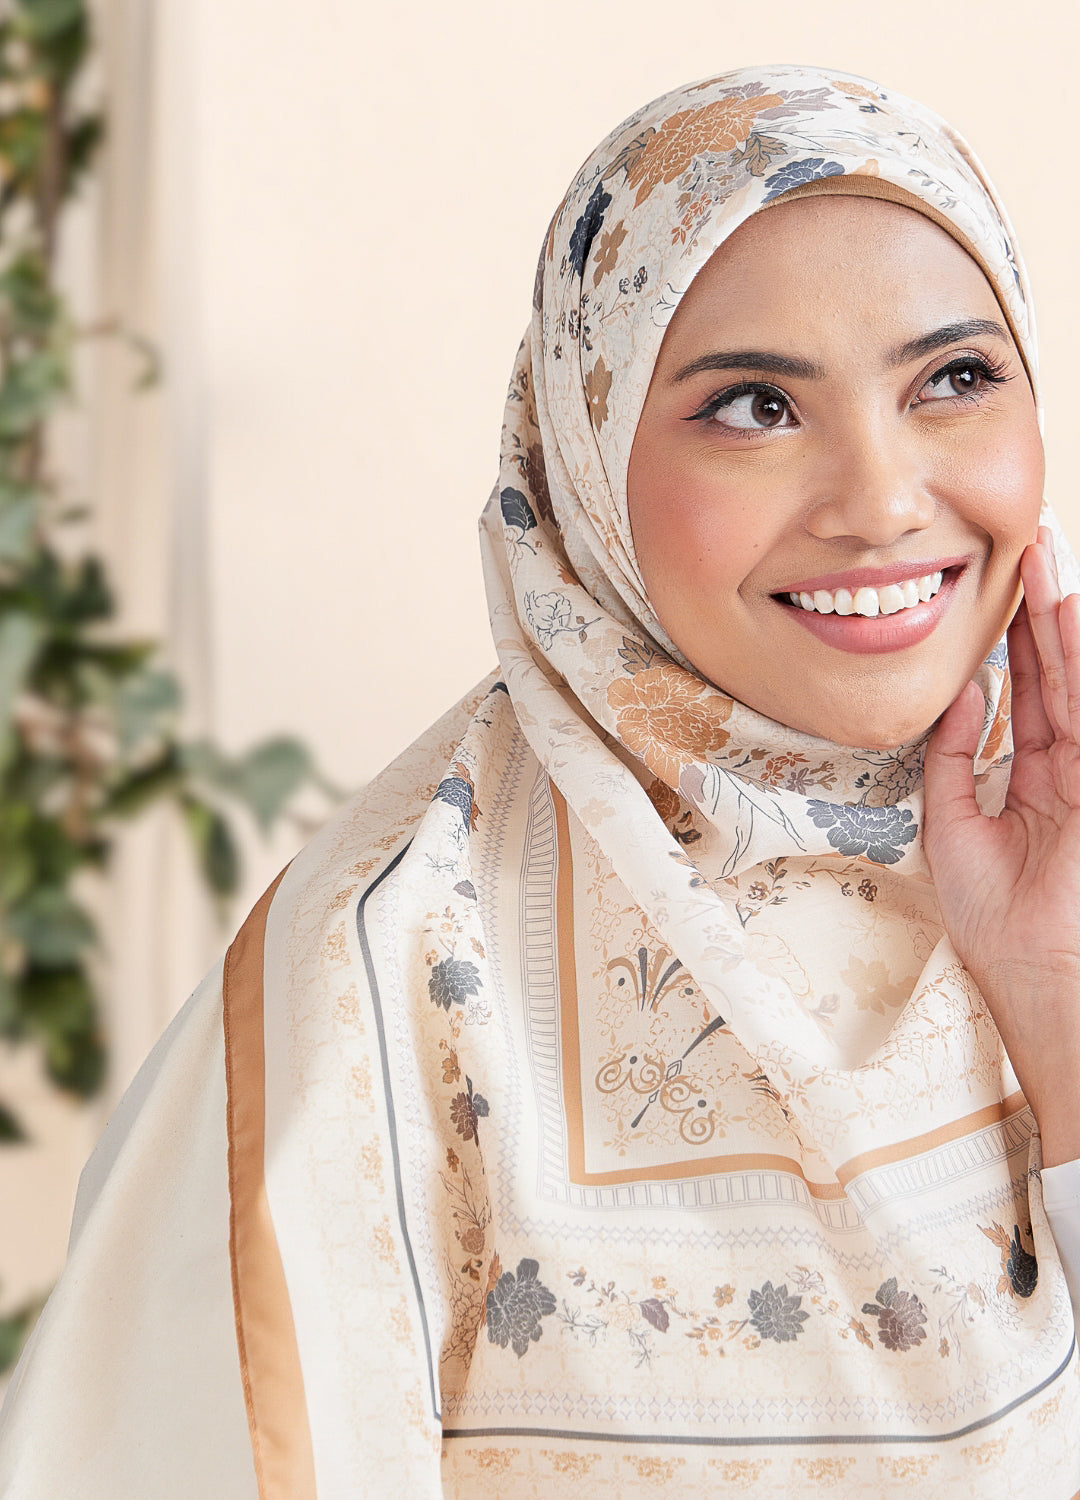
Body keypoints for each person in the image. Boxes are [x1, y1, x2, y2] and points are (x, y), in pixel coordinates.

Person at [2, 63, 1079, 1499]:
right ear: (581, 452)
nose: (882, 500)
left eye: (954, 378)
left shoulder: (1050, 852)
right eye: (755, 405)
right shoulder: (388, 966)